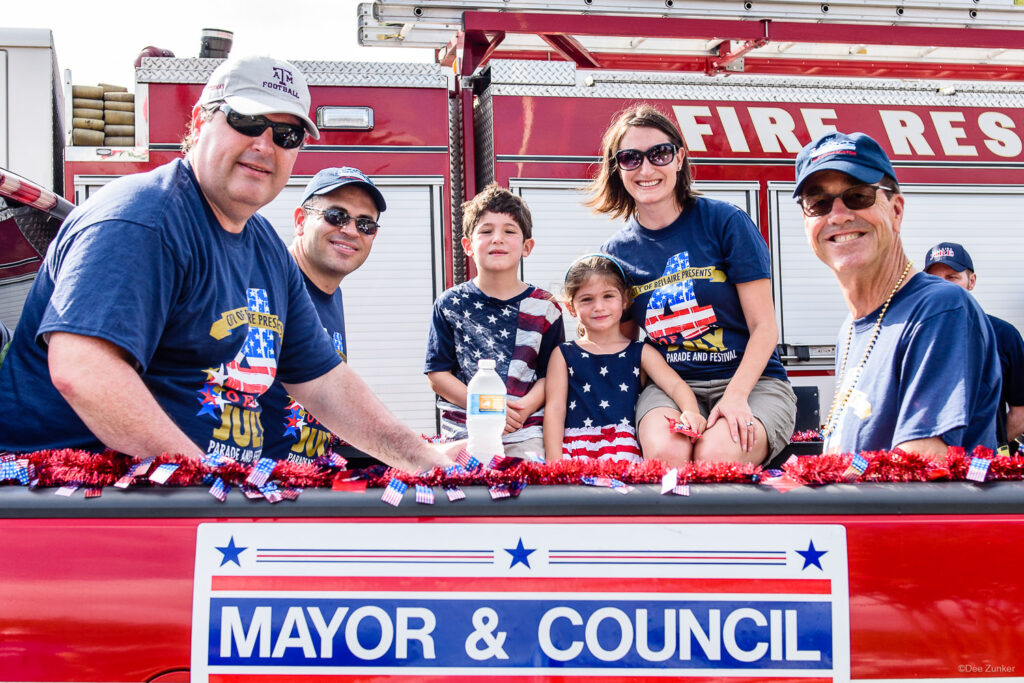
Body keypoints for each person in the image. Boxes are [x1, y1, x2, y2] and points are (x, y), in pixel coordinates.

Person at [0, 56, 452, 474]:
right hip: (73, 507)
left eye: (286, 135)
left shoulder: (267, 251)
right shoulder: (144, 220)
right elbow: (83, 370)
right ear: (199, 122)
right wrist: (204, 486)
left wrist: (428, 460)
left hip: (180, 504)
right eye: (247, 121)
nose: (265, 145)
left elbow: (326, 383)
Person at [590, 103, 796, 467]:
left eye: (660, 154)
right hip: (671, 388)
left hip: (753, 384)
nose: (647, 168)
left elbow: (764, 328)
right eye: (631, 158)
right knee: (669, 455)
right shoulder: (616, 253)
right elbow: (622, 344)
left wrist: (735, 396)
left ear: (679, 158)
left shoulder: (726, 222)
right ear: (617, 167)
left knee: (717, 457)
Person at [794, 131, 1000, 456]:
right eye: (818, 203)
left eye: (858, 195)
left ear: (897, 210)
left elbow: (918, 466)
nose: (838, 215)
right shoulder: (850, 330)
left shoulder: (940, 310)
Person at [424, 183, 564, 459]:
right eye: (486, 231)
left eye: (509, 231)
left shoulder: (546, 307)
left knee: (526, 496)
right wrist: (487, 408)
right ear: (468, 245)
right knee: (461, 494)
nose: (497, 239)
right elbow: (438, 374)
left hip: (523, 431)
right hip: (464, 431)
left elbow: (552, 375)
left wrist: (522, 408)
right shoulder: (449, 304)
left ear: (527, 247)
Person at [259, 167, 385, 463]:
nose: (351, 231)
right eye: (336, 216)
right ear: (300, 221)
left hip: (304, 488)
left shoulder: (331, 294)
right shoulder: (266, 281)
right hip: (250, 491)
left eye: (366, 224)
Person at [543, 254, 706, 463]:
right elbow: (555, 408)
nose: (599, 307)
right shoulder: (564, 354)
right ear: (571, 307)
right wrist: (554, 460)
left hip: (627, 455)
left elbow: (674, 385)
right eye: (586, 299)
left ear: (625, 299)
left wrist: (691, 411)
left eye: (608, 296)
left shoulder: (641, 352)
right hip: (577, 455)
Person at [923, 242, 1024, 453]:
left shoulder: (1004, 335)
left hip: (986, 468)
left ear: (972, 281)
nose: (943, 285)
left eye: (952, 277)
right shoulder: (915, 336)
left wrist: (988, 446)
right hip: (931, 467)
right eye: (934, 278)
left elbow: (1020, 413)